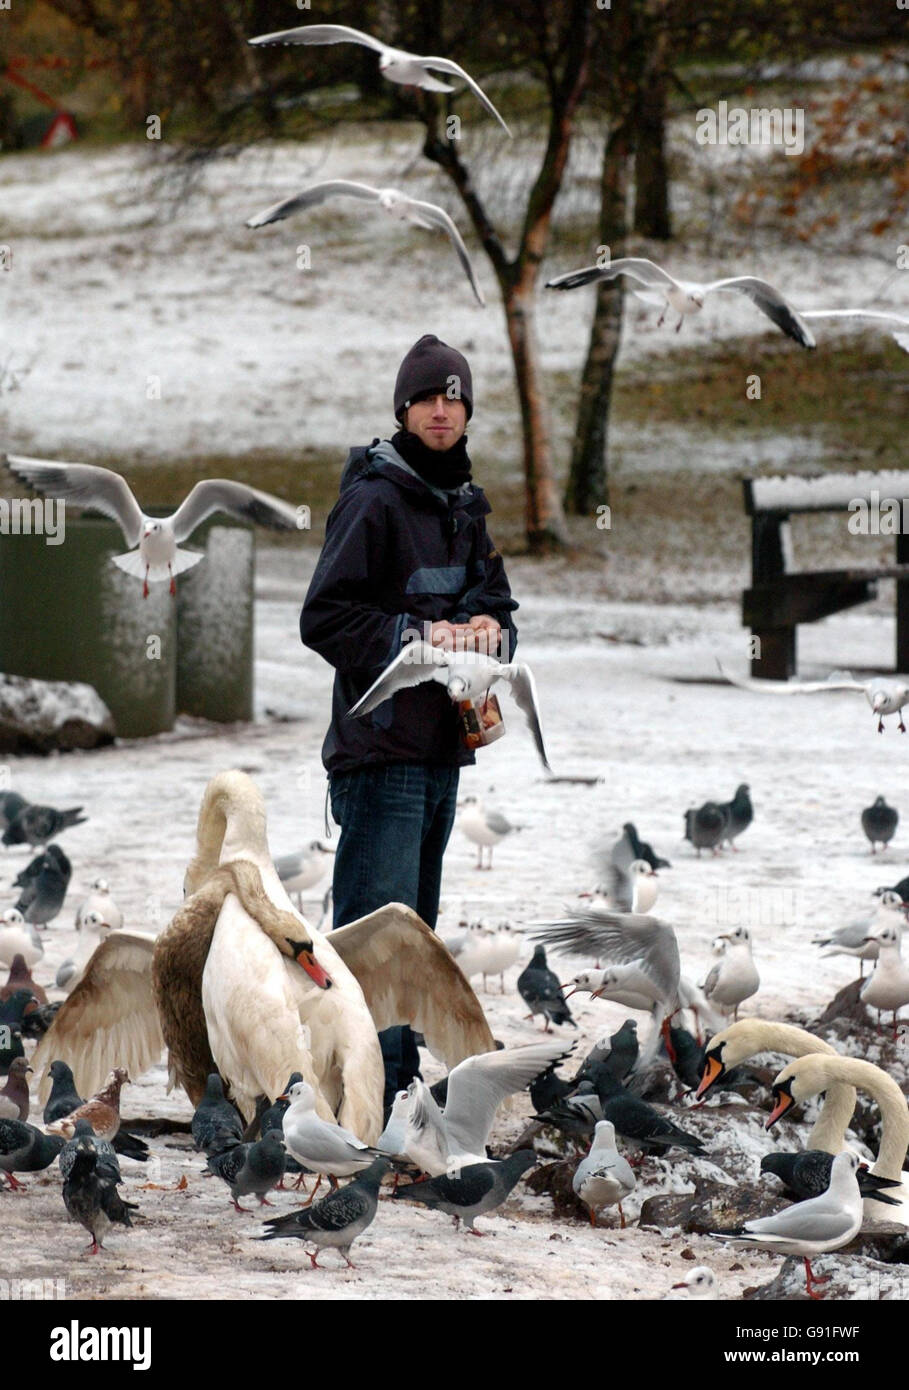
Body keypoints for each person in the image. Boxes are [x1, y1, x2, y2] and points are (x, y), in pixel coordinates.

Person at [300, 333, 518, 1110]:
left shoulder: (463, 503)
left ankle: (392, 1097)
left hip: (437, 756)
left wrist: (487, 635)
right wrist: (418, 639)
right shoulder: (374, 498)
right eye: (427, 397)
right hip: (378, 754)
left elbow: (497, 605)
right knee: (372, 943)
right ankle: (349, 1097)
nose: (440, 410)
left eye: (454, 398)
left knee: (414, 944)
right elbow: (324, 618)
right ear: (402, 408)